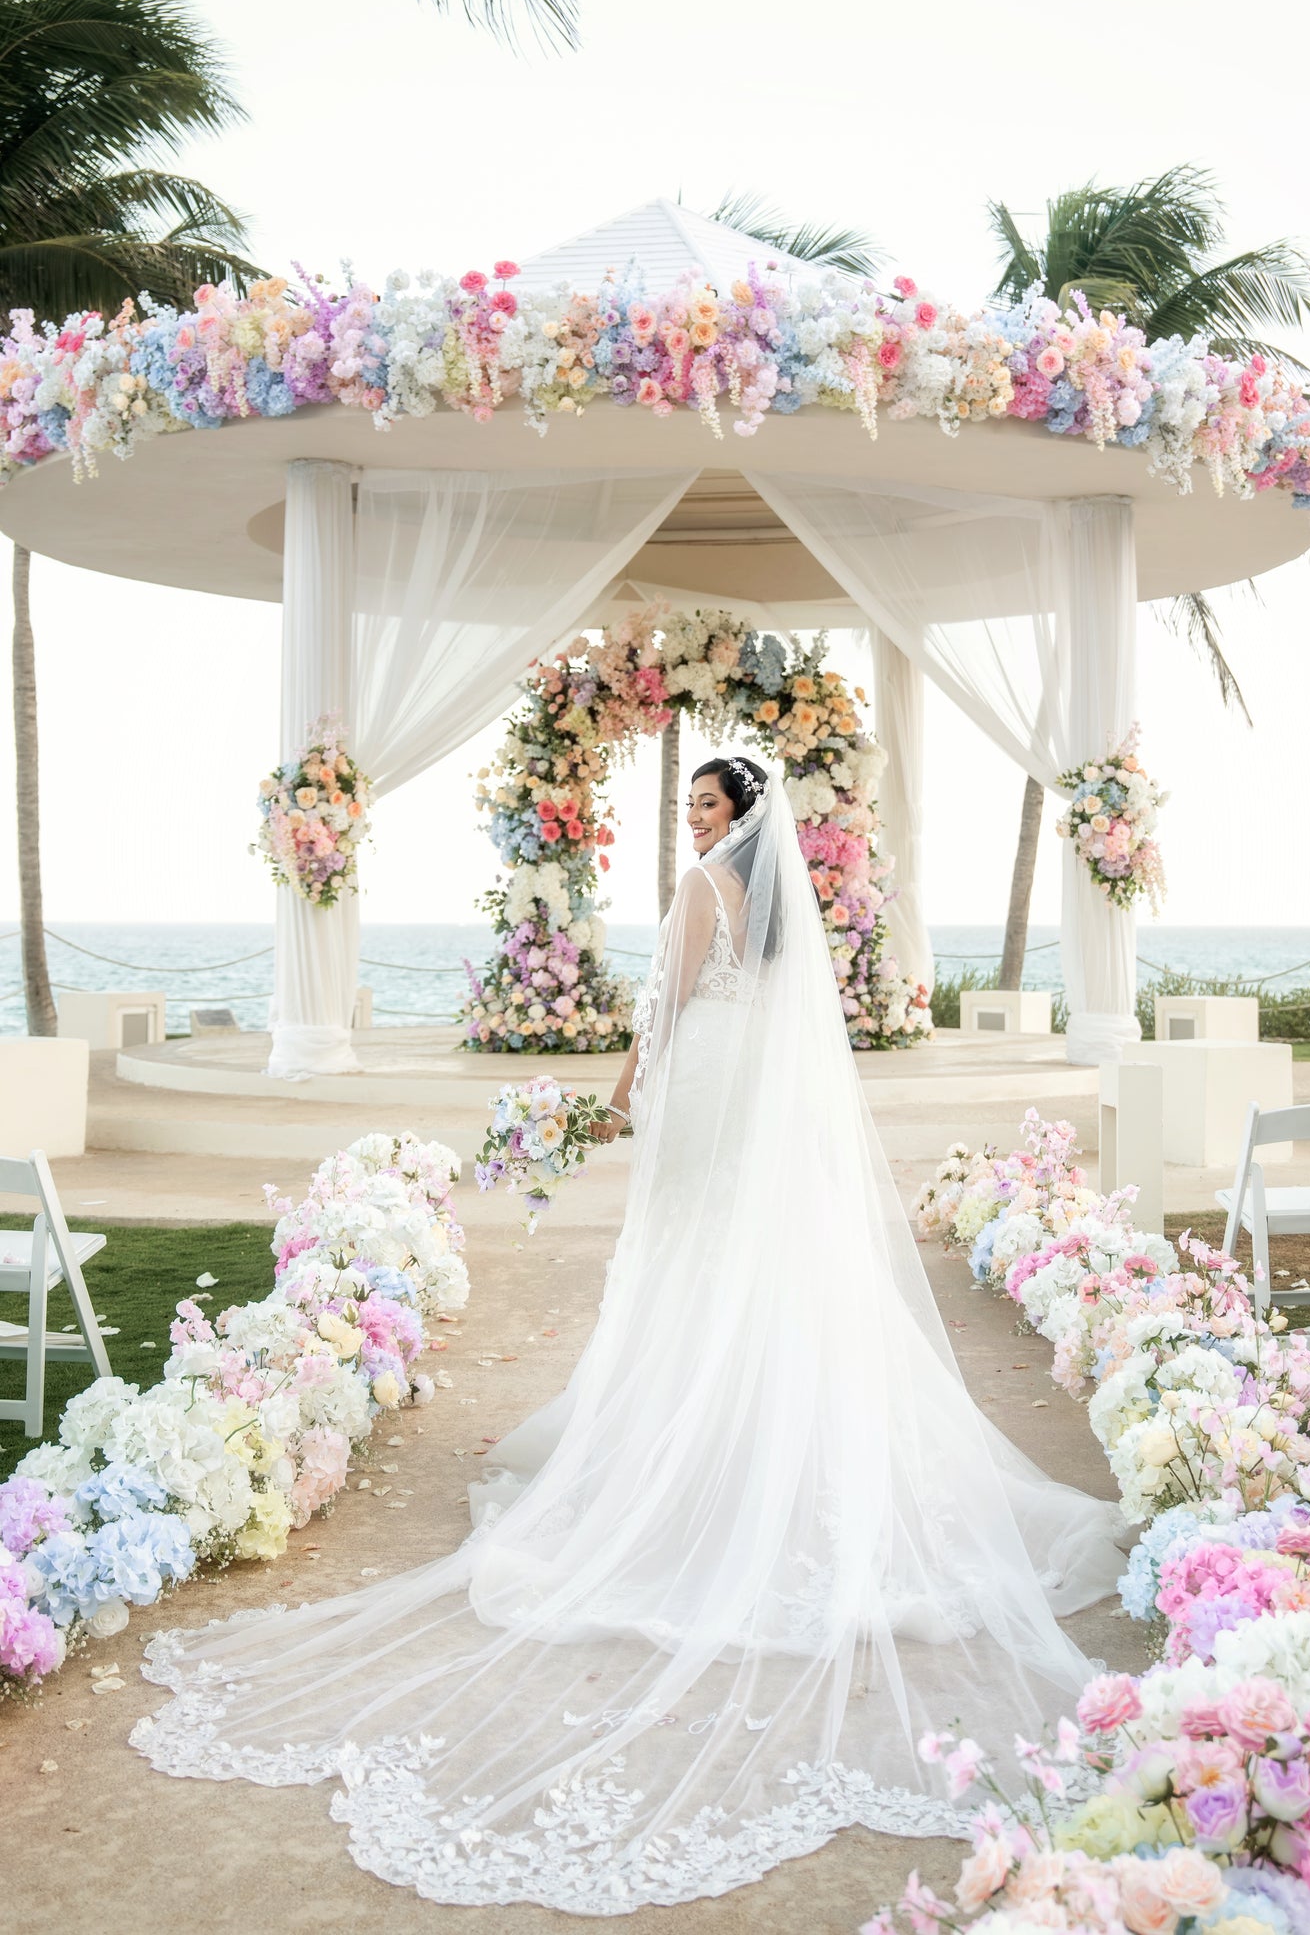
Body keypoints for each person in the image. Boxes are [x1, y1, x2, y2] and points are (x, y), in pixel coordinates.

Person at [132, 755, 1127, 1914]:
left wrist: (613, 1099)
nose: (691, 819)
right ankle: (749, 1432)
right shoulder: (778, 912)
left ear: (736, 818)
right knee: (748, 1266)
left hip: (702, 1093)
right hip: (746, 1094)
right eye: (690, 805)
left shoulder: (705, 888)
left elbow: (661, 1012)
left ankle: (687, 1450)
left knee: (689, 1258)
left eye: (706, 805)